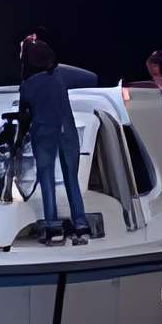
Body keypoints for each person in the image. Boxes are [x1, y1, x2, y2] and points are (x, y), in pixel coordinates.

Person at [18, 37, 97, 243]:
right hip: (67, 131)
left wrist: (19, 140)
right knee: (72, 178)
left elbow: (24, 117)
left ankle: (53, 227)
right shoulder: (60, 74)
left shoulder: (27, 85)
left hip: (43, 133)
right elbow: (91, 78)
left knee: (47, 180)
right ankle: (80, 224)